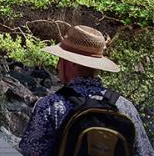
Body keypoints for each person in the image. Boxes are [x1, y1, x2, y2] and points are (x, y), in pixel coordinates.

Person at [19, 24, 150, 156]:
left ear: (71, 63)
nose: (58, 65)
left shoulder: (50, 106)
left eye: (60, 59)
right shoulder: (126, 108)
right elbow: (145, 153)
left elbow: (31, 152)